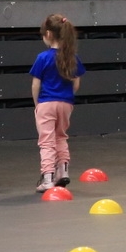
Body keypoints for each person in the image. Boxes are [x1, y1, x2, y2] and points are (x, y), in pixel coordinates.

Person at [32, 14, 83, 193]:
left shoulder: (43, 57)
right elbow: (76, 83)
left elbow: (36, 84)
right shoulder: (72, 58)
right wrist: (67, 97)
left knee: (46, 142)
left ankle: (48, 177)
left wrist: (37, 103)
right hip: (66, 103)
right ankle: (63, 170)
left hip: (46, 103)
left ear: (48, 34)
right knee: (61, 136)